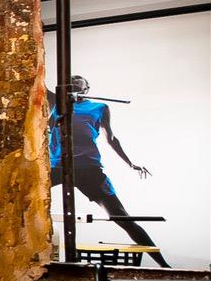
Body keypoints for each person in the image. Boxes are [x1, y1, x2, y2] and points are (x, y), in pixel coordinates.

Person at [48, 75, 170, 266]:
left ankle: (164, 266)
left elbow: (111, 139)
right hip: (58, 166)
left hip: (89, 168)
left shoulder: (99, 108)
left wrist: (130, 164)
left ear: (87, 88)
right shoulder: (56, 103)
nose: (74, 81)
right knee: (25, 199)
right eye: (71, 81)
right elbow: (38, 82)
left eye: (79, 81)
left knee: (121, 217)